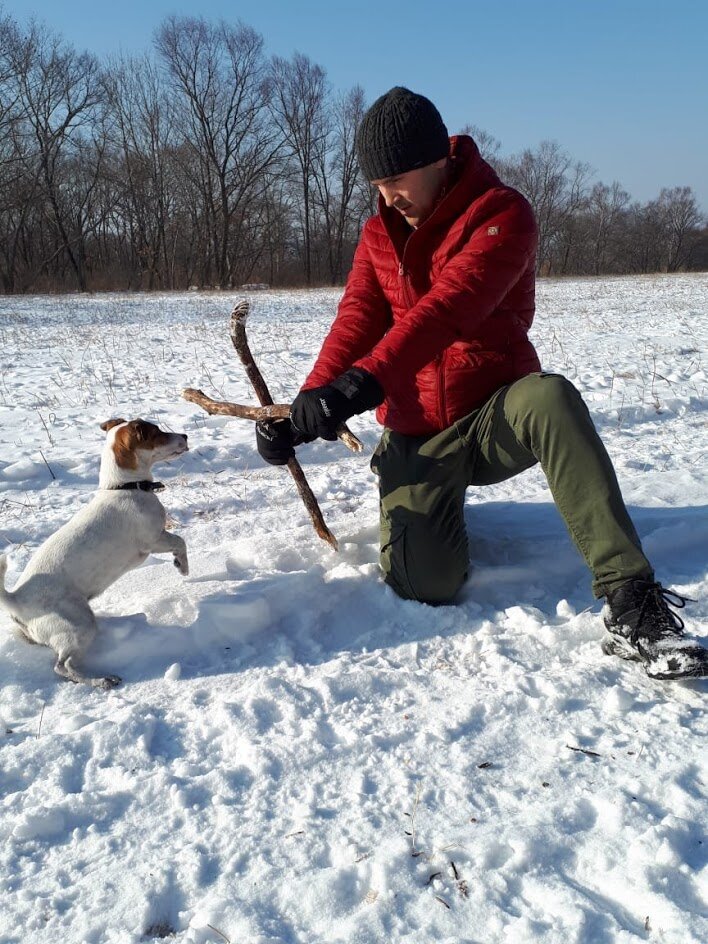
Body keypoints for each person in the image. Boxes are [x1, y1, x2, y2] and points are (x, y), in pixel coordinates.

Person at [256, 86, 707, 682]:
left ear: (438, 159)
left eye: (397, 179)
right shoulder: (377, 234)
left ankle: (632, 600)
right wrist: (307, 404)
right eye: (377, 184)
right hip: (417, 429)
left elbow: (445, 311)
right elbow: (357, 319)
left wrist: (360, 385)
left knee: (550, 396)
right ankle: (426, 497)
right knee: (427, 585)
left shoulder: (502, 214)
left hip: (494, 416)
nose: (388, 196)